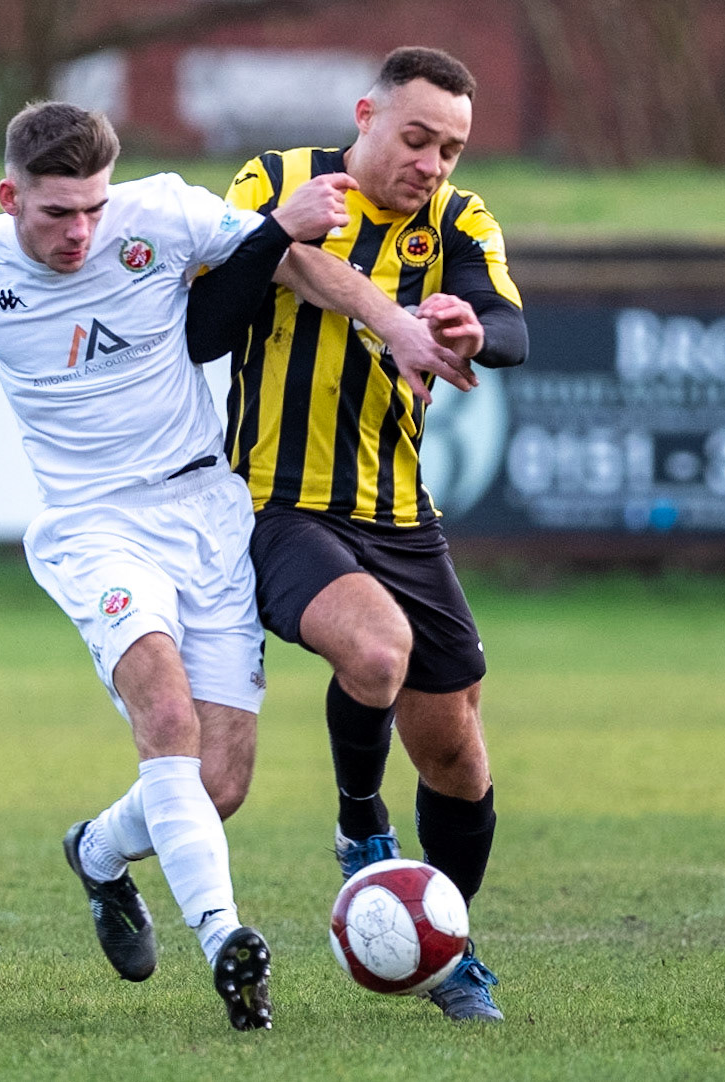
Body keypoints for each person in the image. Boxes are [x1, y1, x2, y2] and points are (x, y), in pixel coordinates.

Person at [0, 101, 353, 1032]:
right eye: (57, 213)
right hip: (92, 527)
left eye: (93, 208)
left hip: (205, 512)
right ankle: (227, 943)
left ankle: (96, 850)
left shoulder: (163, 212)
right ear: (10, 197)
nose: (80, 232)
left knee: (218, 784)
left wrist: (394, 324)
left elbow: (284, 257)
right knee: (164, 715)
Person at [191, 46, 528, 1022]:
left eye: (450, 149)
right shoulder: (279, 180)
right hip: (276, 503)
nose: (432, 163)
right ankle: (360, 829)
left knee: (457, 754)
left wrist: (468, 330)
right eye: (417, 138)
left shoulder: (457, 220)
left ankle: (446, 947)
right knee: (376, 651)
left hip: (401, 516)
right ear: (366, 116)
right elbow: (227, 300)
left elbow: (509, 329)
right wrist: (378, 310)